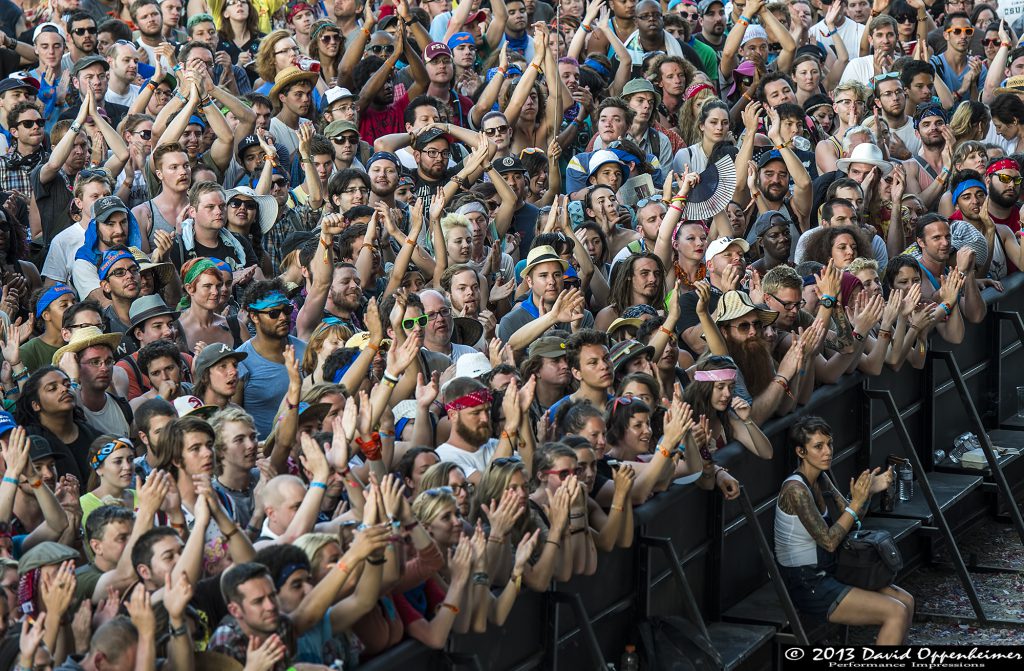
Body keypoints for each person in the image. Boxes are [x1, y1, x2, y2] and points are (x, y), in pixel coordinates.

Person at [775, 415, 913, 644]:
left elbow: (854, 521)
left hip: (831, 570)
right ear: (801, 452)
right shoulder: (795, 490)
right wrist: (857, 503)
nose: (827, 451)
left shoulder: (821, 479)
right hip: (807, 582)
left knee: (906, 602)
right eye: (818, 446)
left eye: (829, 444)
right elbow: (829, 541)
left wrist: (868, 493)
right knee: (895, 612)